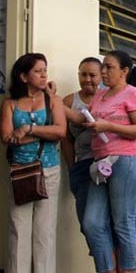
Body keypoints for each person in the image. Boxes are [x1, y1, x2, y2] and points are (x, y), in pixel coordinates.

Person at [64, 50, 136, 273]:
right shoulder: (100, 95)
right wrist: (53, 99)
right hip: (101, 165)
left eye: (109, 67)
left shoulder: (133, 94)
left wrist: (109, 126)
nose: (104, 72)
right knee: (92, 222)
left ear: (124, 70)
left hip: (126, 161)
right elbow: (83, 118)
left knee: (124, 222)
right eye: (104, 67)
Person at [0, 53, 66, 273]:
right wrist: (42, 135)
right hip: (20, 170)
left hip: (48, 169)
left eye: (45, 70)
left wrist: (28, 129)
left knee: (44, 228)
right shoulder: (10, 104)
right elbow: (6, 137)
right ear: (24, 76)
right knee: (19, 226)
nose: (43, 74)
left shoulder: (53, 101)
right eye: (38, 71)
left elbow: (60, 131)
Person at [61, 57, 103, 238]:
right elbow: (66, 139)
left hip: (105, 165)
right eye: (83, 74)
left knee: (104, 221)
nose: (87, 79)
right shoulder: (69, 101)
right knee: (87, 222)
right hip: (82, 166)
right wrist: (72, 167)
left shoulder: (107, 98)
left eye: (92, 75)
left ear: (101, 76)